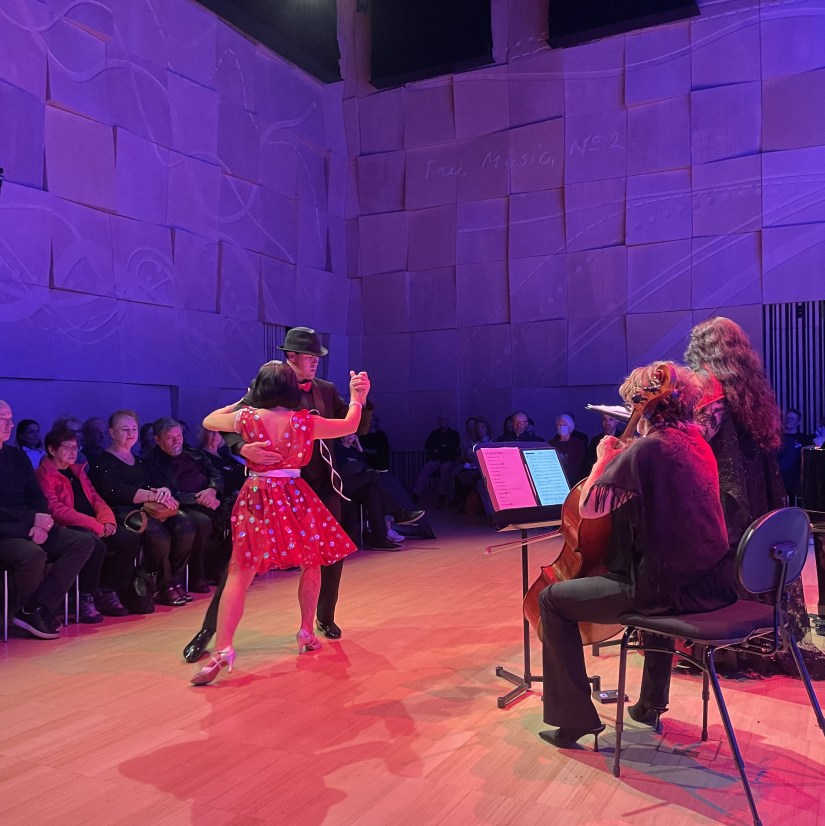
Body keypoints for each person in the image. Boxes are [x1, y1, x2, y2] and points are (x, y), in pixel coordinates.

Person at [537, 363, 736, 748]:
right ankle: (650, 705)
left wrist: (604, 457)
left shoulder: (648, 449)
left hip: (666, 592)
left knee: (552, 600)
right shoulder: (698, 444)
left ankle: (574, 720)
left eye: (632, 405)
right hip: (710, 584)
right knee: (659, 565)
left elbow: (591, 508)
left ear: (646, 406)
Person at [183, 327, 371, 662]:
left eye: (317, 357)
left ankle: (313, 623)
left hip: (287, 490)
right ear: (291, 357)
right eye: (310, 356)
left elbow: (212, 421)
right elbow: (349, 424)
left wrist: (360, 401)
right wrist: (243, 448)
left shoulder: (312, 393)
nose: (315, 362)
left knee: (289, 562)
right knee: (263, 564)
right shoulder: (291, 413)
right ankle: (227, 632)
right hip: (292, 490)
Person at [685, 316, 825, 677]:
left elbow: (696, 438)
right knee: (754, 560)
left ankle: (724, 648)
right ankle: (758, 640)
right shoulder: (752, 385)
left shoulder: (708, 385)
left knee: (717, 558)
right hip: (756, 494)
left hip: (723, 493)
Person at [0, 400, 96, 639]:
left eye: (11, 420)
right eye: (3, 419)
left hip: (28, 524)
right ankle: (28, 611)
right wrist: (33, 520)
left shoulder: (16, 456)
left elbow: (36, 495)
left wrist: (42, 520)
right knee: (32, 554)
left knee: (82, 542)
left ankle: (36, 608)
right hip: (5, 531)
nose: (10, 425)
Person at [88, 410, 197, 607]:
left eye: (134, 429)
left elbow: (160, 483)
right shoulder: (103, 461)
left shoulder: (141, 461)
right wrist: (151, 495)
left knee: (185, 525)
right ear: (112, 433)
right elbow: (114, 491)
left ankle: (174, 579)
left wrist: (163, 491)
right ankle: (164, 584)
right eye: (125, 429)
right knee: (157, 534)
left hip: (151, 509)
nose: (131, 433)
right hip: (122, 512)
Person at [36, 427, 137, 619]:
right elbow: (56, 509)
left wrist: (107, 520)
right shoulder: (45, 474)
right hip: (67, 527)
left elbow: (96, 497)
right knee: (95, 544)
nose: (73, 452)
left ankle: (107, 590)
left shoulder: (77, 471)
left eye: (75, 447)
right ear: (51, 449)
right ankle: (84, 597)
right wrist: (95, 525)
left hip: (93, 523)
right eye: (67, 447)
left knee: (129, 539)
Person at [150, 417, 223, 593]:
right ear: (158, 439)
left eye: (179, 436)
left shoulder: (195, 453)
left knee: (237, 514)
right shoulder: (153, 462)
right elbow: (168, 493)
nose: (177, 441)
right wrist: (200, 499)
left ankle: (220, 568)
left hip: (208, 501)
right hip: (181, 506)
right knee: (202, 522)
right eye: (170, 438)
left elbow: (216, 473)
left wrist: (212, 490)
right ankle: (195, 576)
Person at [412, 415, 461, 506]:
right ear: (438, 421)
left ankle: (441, 496)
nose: (443, 421)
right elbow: (428, 445)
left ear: (448, 421)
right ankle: (416, 494)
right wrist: (443, 447)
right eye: (441, 419)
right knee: (426, 469)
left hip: (448, 460)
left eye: (445, 419)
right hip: (435, 459)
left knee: (445, 469)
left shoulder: (454, 434)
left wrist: (438, 449)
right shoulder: (434, 433)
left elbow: (452, 448)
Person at [778, 408, 811, 504]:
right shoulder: (777, 437)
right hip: (779, 477)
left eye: (792, 418)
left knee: (795, 504)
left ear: (798, 422)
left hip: (796, 479)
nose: (789, 420)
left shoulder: (804, 439)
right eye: (787, 418)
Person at [549, 414, 587, 484]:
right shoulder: (552, 443)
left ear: (570, 427)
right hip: (556, 478)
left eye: (564, 425)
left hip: (572, 479)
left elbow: (578, 462)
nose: (562, 427)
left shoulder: (578, 443)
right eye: (559, 425)